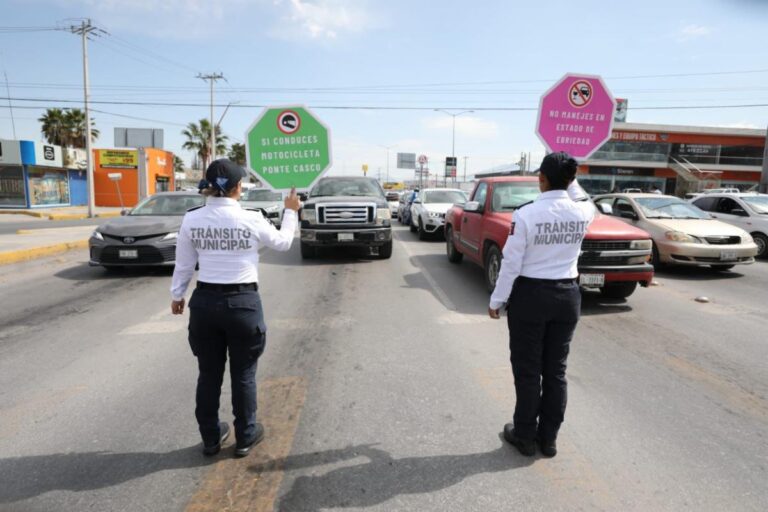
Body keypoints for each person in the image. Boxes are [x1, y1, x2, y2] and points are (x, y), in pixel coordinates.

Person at [171, 159, 301, 457]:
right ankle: (245, 435)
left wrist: (177, 295)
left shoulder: (192, 219)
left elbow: (184, 265)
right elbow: (282, 242)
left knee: (208, 374)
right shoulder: (251, 218)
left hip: (204, 304)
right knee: (243, 374)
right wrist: (291, 211)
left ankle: (211, 438)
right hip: (243, 304)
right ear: (237, 187)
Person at [488, 152, 595, 458]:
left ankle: (524, 434)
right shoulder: (583, 212)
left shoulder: (525, 215)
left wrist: (497, 300)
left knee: (527, 371)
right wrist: (570, 179)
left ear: (542, 179)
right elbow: (582, 196)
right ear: (571, 180)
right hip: (567, 296)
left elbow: (511, 263)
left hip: (531, 297)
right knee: (556, 372)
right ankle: (548, 439)